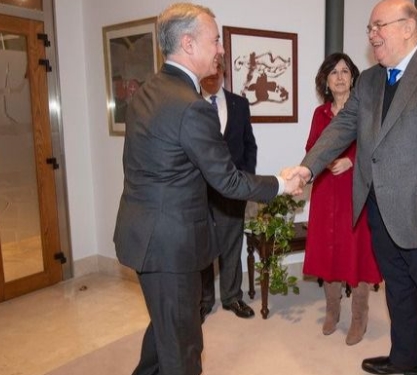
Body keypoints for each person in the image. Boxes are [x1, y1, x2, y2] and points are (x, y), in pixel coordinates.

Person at [284, 1, 417, 374]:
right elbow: (342, 128)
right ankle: (404, 362)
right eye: (369, 28)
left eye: (379, 26)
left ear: (409, 27)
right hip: (381, 214)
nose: (372, 34)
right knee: (400, 296)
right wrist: (307, 169)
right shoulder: (373, 80)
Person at [113, 3, 301, 375]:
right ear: (188, 43)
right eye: (215, 39)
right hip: (168, 245)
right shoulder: (190, 106)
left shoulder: (148, 91)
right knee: (184, 348)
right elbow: (228, 179)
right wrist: (281, 183)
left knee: (164, 335)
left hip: (144, 234)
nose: (220, 49)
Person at [303, 52, 382, 346]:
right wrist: (323, 163)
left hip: (356, 189)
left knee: (357, 252)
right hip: (326, 191)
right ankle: (332, 311)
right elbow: (313, 146)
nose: (339, 77)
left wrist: (351, 160)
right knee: (329, 250)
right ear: (326, 80)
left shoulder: (365, 111)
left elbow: (374, 147)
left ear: (353, 78)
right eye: (333, 72)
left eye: (345, 71)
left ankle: (359, 318)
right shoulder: (319, 114)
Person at [200, 61, 257, 320]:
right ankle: (202, 301)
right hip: (197, 190)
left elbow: (249, 145)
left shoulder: (239, 104)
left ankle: (232, 297)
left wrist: (245, 180)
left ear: (223, 73)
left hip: (232, 189)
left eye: (217, 71)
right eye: (208, 72)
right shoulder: (189, 103)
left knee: (232, 243)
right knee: (201, 247)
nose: (212, 76)